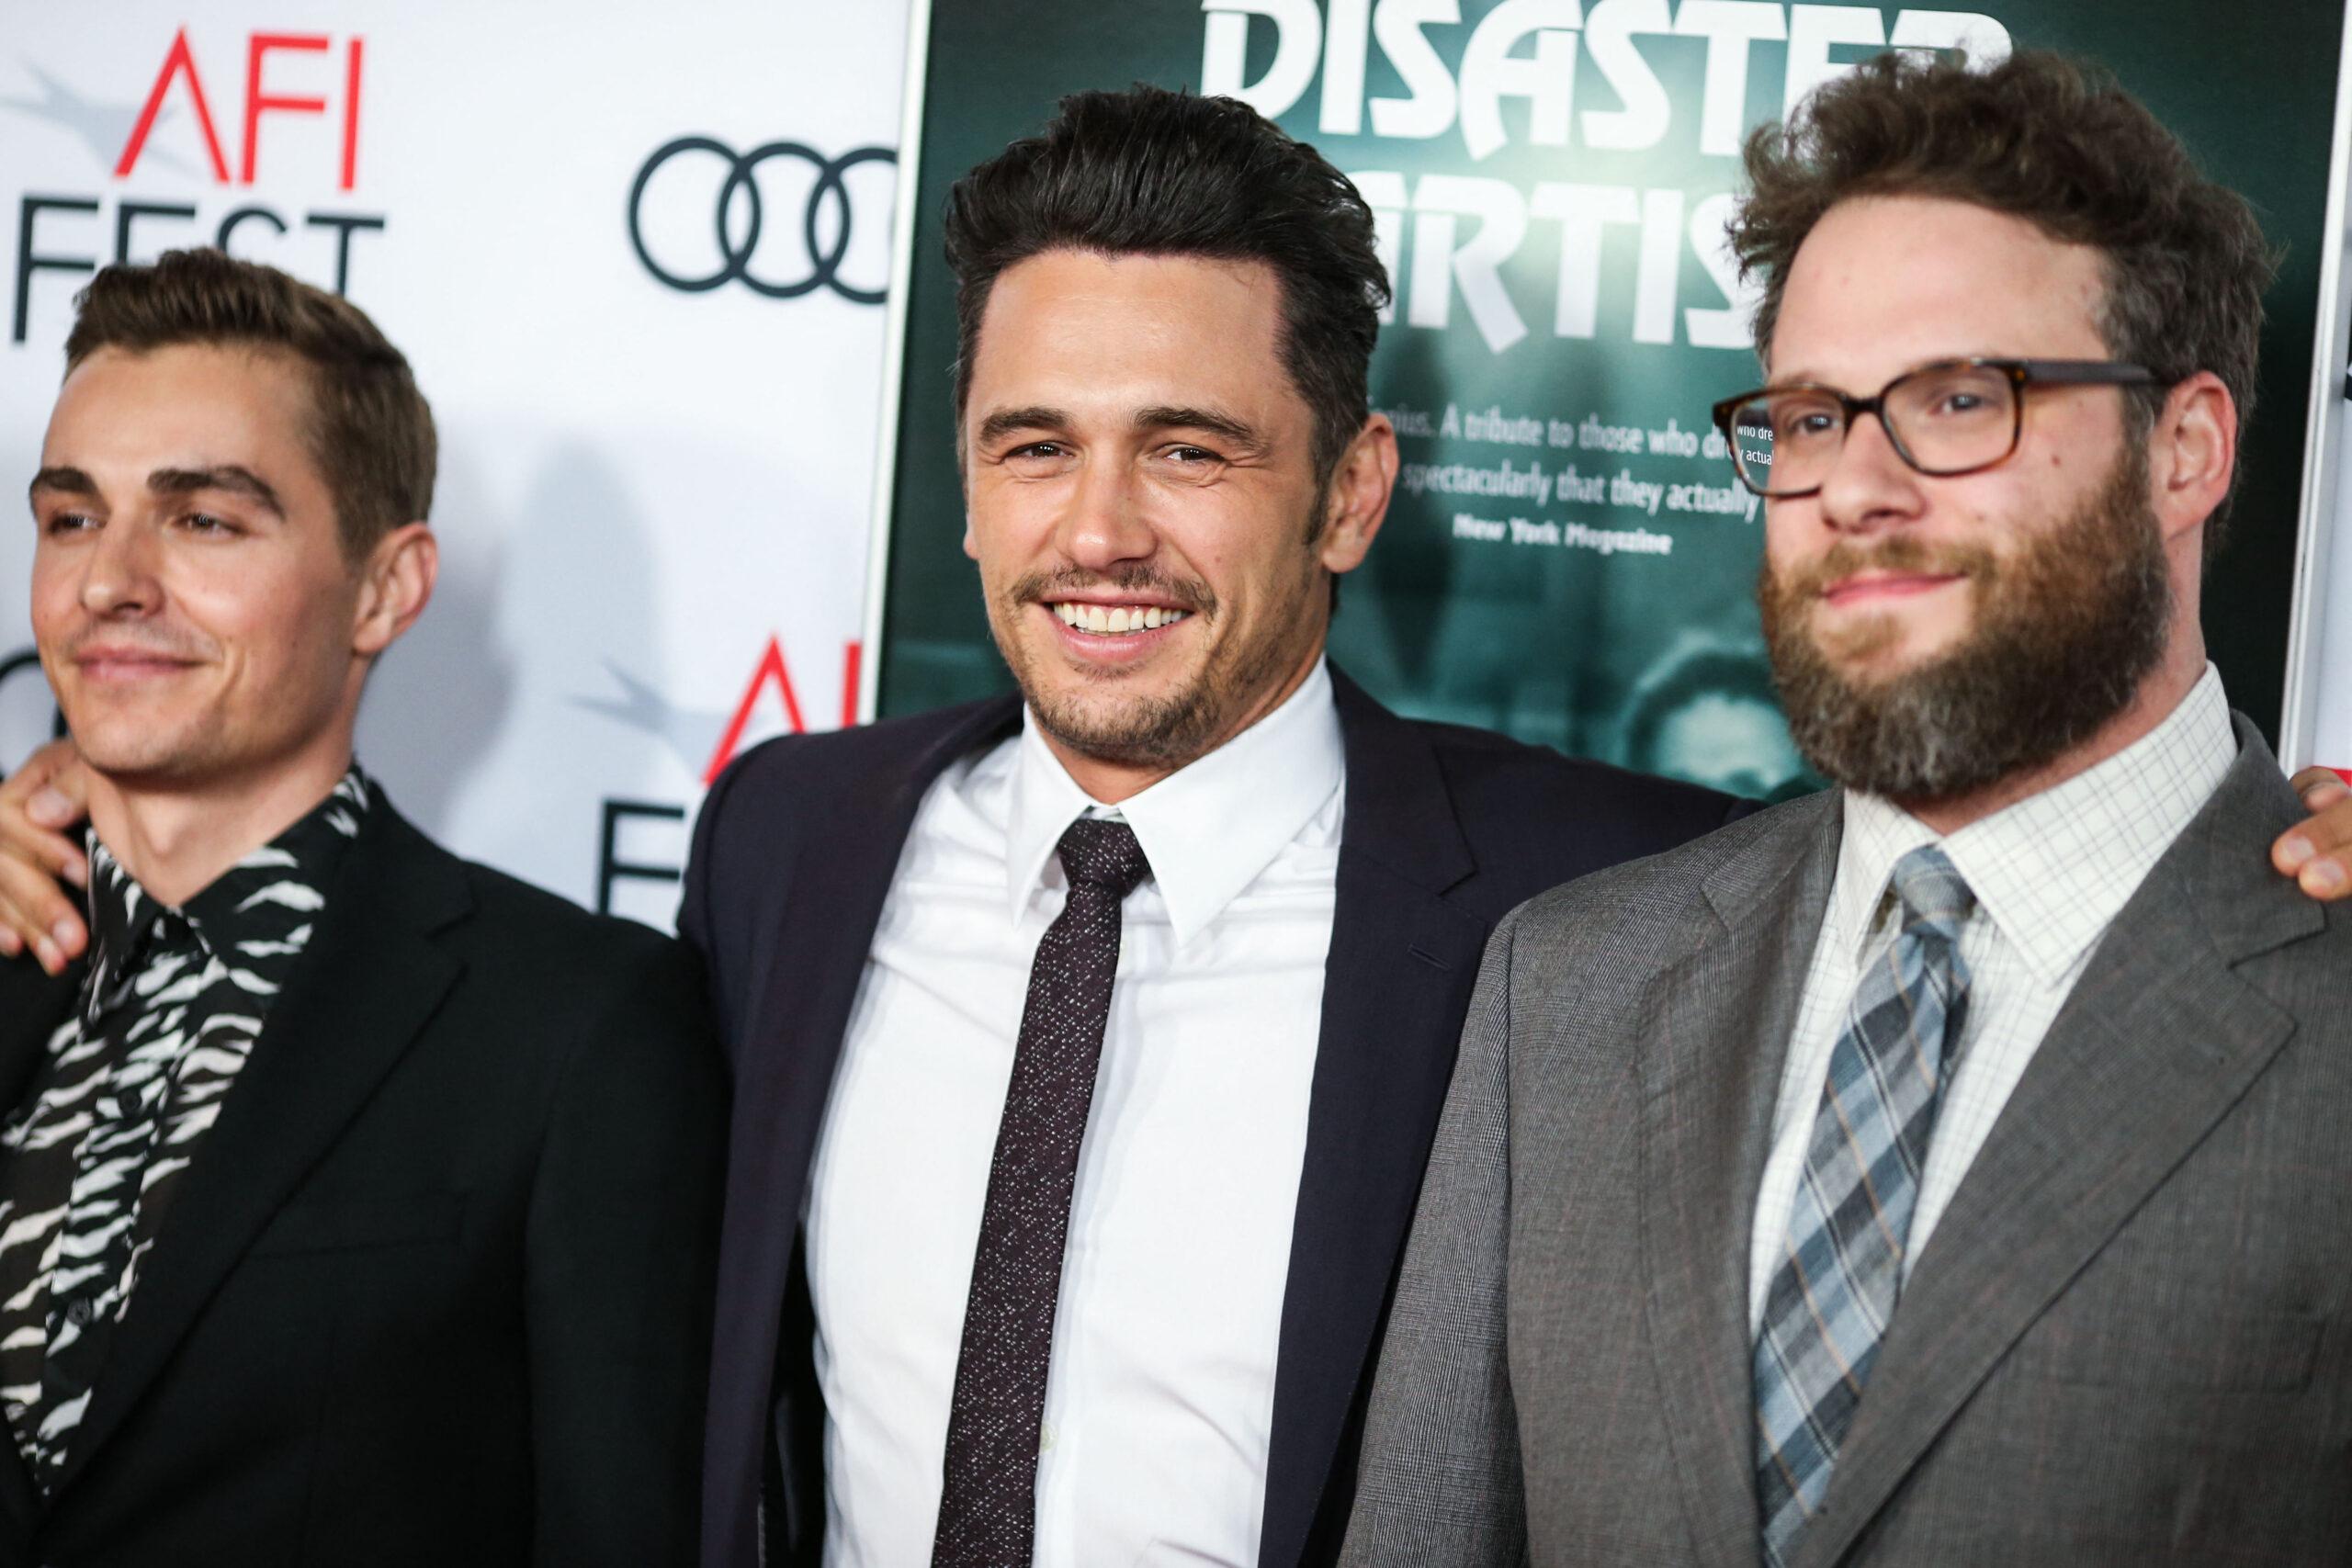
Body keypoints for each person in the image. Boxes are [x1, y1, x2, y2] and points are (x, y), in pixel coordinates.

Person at [1340, 50, 2352, 1568]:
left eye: (1961, 397)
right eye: (1810, 419)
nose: (1857, 486)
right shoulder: (1567, 985)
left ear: (2186, 450)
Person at [0, 249, 724, 1564]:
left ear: (385, 588)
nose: (110, 581)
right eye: (71, 517)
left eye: (204, 520)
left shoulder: (574, 1030)